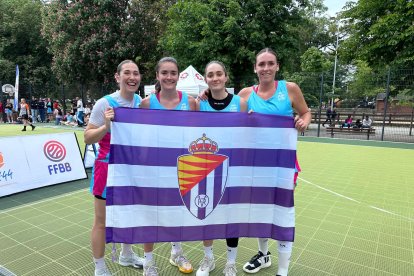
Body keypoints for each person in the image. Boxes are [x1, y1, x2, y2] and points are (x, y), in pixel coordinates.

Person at [237, 48, 311, 276]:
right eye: (262, 64)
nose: (266, 68)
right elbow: (232, 124)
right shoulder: (245, 94)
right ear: (255, 68)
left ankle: (283, 270)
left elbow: (306, 112)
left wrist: (303, 121)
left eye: (270, 63)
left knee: (282, 212)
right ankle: (263, 254)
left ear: (277, 66)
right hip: (256, 165)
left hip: (283, 164)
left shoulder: (289, 89)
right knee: (261, 211)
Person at [84, 60, 144, 276]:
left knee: (130, 215)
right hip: (106, 169)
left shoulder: (142, 103)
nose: (132, 77)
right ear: (118, 77)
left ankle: (126, 255)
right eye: (127, 73)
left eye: (135, 73)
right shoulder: (104, 103)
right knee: (101, 222)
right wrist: (105, 127)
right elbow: (87, 137)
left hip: (132, 168)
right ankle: (99, 268)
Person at [140, 57, 196, 276]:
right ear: (157, 75)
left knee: (177, 213)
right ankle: (148, 262)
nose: (169, 77)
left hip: (180, 167)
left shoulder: (190, 102)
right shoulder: (146, 104)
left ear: (178, 75)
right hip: (153, 168)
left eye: (173, 72)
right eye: (165, 72)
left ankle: (176, 252)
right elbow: (138, 136)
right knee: (150, 215)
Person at [194, 61, 247, 276]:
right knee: (206, 214)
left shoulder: (240, 104)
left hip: (233, 169)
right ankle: (208, 259)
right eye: (210, 75)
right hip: (208, 169)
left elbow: (247, 136)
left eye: (219, 74)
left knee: (230, 217)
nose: (215, 78)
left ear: (226, 77)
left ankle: (231, 263)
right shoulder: (200, 104)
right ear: (206, 80)